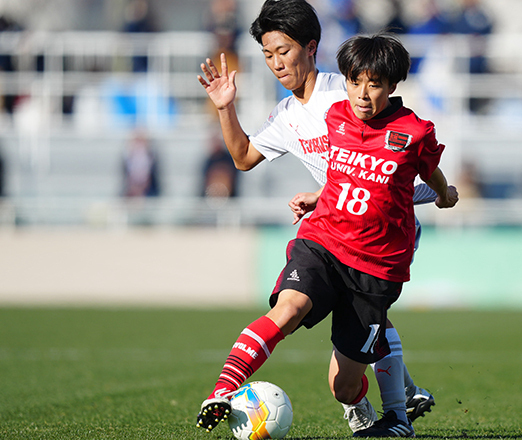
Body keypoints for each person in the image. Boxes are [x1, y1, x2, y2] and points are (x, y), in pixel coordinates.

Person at [196, 31, 458, 437]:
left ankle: (399, 411)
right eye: (268, 54)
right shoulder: (334, 115)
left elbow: (424, 173)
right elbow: (338, 170)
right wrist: (320, 198)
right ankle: (222, 389)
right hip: (324, 239)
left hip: (376, 258)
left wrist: (444, 194)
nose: (363, 93)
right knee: (288, 308)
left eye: (283, 51)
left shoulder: (410, 129)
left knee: (343, 383)